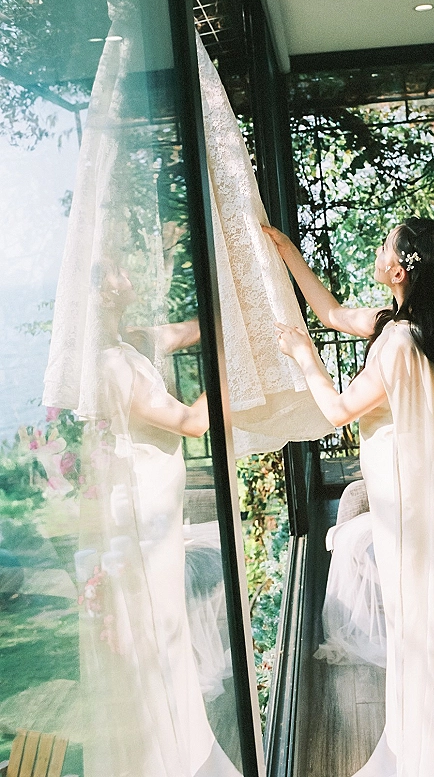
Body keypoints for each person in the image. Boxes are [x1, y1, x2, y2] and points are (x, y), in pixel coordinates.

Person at [263, 218, 434, 777]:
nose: (379, 249)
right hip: (404, 496)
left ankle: (432, 756)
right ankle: (431, 744)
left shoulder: (398, 344)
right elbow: (333, 312)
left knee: (418, 629)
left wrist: (303, 354)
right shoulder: (403, 327)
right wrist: (286, 250)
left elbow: (336, 412)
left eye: (385, 243)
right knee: (421, 627)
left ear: (400, 269)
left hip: (405, 505)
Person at [72, 262, 242, 777]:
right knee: (157, 634)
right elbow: (191, 423)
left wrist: (233, 303)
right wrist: (232, 370)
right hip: (145, 522)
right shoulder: (111, 365)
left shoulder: (132, 343)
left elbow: (192, 330)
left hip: (157, 514)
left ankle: (180, 751)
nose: (129, 273)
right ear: (100, 292)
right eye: (118, 269)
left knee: (165, 634)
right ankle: (167, 761)